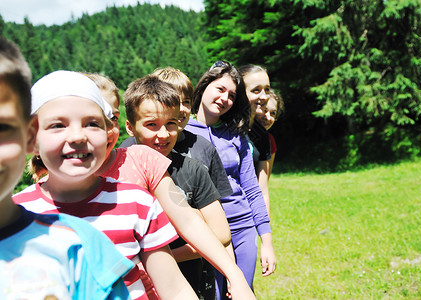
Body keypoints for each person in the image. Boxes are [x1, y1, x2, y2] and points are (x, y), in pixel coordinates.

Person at [13, 70, 198, 300]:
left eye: (92, 123)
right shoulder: (14, 215)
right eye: (58, 125)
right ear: (31, 140)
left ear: (108, 132)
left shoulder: (137, 203)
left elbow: (175, 289)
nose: (78, 136)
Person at [85, 72, 255, 300]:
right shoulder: (40, 199)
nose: (106, 129)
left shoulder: (141, 159)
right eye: (92, 120)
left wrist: (235, 276)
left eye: (112, 118)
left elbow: (193, 223)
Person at [0, 38, 132, 300]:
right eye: (58, 125)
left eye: (2, 128)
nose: (77, 136)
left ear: (29, 137)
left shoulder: (78, 247)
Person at [123, 74, 233, 299]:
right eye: (151, 125)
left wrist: (164, 257)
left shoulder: (193, 170)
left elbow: (221, 234)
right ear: (130, 127)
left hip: (188, 285)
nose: (163, 135)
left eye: (170, 124)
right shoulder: (117, 169)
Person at [185, 60, 276, 299]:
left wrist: (266, 241)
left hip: (243, 227)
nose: (225, 98)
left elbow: (253, 190)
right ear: (205, 85)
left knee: (241, 293)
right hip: (206, 232)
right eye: (220, 89)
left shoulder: (236, 135)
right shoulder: (181, 133)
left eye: (232, 95)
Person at [238, 64, 273, 217]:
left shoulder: (262, 135)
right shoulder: (223, 130)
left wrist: (265, 233)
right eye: (256, 90)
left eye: (267, 89)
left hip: (246, 217)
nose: (264, 96)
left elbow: (262, 190)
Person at [255, 88, 285, 178]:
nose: (267, 117)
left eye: (273, 113)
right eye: (264, 110)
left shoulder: (269, 141)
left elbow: (263, 181)